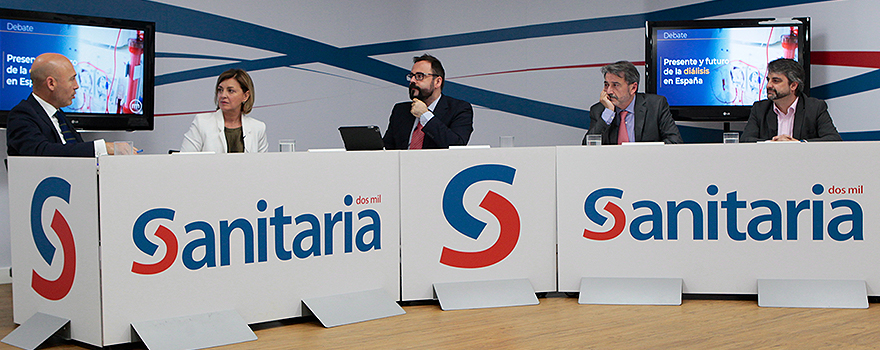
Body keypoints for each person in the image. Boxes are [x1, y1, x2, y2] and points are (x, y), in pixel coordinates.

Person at [7, 53, 117, 157]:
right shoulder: (21, 115)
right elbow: (41, 152)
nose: (76, 86)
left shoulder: (60, 116)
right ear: (51, 84)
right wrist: (103, 148)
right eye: (72, 79)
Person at [383, 54, 473, 149]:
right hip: (403, 163)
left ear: (437, 82)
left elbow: (456, 145)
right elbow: (387, 148)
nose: (412, 81)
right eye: (411, 76)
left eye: (419, 76)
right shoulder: (401, 110)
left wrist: (425, 115)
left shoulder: (459, 109)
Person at [582, 61, 682, 145]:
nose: (608, 91)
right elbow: (588, 147)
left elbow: (675, 142)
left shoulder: (656, 105)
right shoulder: (599, 110)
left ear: (633, 88)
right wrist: (608, 113)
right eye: (606, 85)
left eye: (615, 85)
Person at [740, 58, 841, 142]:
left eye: (775, 81)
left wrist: (799, 144)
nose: (769, 85)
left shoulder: (815, 108)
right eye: (768, 80)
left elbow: (833, 139)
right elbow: (746, 140)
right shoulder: (760, 109)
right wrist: (770, 144)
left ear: (793, 85)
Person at [181, 68, 268, 153]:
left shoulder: (258, 128)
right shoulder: (202, 123)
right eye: (220, 90)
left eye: (230, 91)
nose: (223, 95)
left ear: (245, 96)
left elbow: (264, 165)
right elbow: (184, 160)